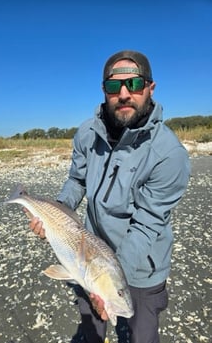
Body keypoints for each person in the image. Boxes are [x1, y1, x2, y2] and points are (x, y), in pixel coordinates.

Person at [29, 50, 190, 343]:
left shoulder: (170, 154)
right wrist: (57, 214)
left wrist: (111, 283)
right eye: (115, 86)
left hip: (140, 269)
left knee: (141, 334)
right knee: (91, 331)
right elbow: (76, 180)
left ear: (150, 88)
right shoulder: (86, 134)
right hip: (85, 251)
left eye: (135, 84)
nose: (125, 94)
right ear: (104, 90)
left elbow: (147, 225)